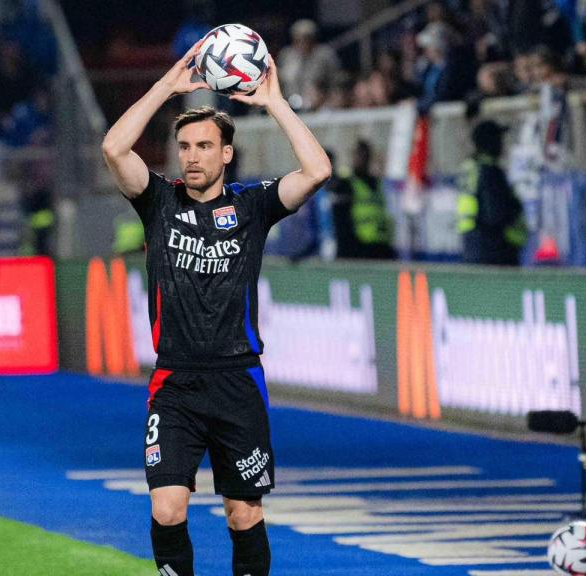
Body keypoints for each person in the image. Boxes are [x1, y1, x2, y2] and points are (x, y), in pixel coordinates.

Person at [101, 40, 332, 576]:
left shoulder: (253, 206)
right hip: (175, 382)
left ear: (226, 153)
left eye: (204, 146)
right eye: (184, 146)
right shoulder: (158, 201)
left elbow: (317, 171)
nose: (192, 156)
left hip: (237, 381)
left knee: (243, 513)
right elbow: (114, 148)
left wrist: (274, 102)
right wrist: (167, 85)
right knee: (167, 507)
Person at [458, 120, 526, 266]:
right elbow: (494, 214)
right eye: (499, 139)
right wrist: (514, 210)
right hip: (493, 251)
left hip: (472, 246)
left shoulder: (470, 168)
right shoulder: (489, 171)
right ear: (491, 142)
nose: (503, 145)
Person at [331, 140, 395, 260]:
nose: (361, 158)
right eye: (358, 154)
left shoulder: (377, 183)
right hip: (357, 248)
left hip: (380, 245)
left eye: (364, 154)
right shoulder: (346, 184)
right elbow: (341, 222)